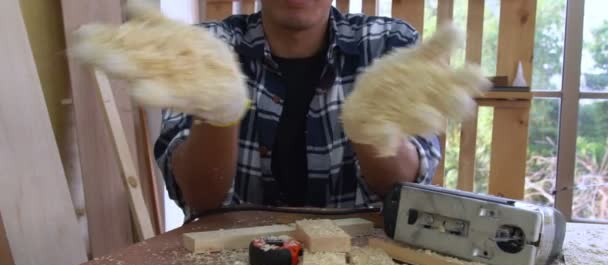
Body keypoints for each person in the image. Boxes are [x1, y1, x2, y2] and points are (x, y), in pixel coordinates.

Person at [154, 1, 441, 221]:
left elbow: (404, 192)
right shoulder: (205, 48)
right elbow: (199, 198)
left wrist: (369, 124)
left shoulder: (389, 45)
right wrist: (219, 110)